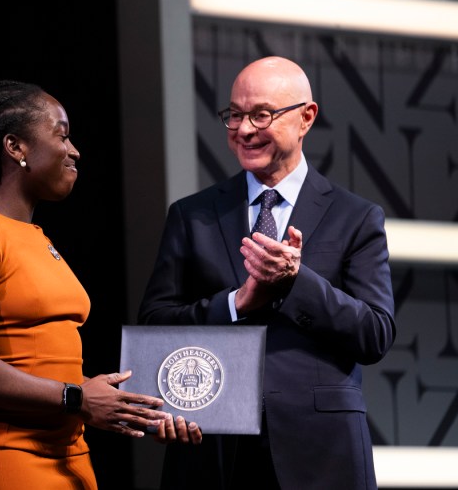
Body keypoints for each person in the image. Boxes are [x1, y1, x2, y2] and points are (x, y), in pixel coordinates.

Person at [0, 80, 201, 490]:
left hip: (65, 456)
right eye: (62, 135)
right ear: (16, 148)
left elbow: (37, 362)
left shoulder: (35, 237)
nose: (74, 151)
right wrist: (78, 398)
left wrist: (123, 404)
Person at [138, 56, 396, 489]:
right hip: (211, 447)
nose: (243, 130)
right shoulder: (192, 215)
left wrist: (296, 282)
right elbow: (155, 326)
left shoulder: (356, 217)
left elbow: (375, 333)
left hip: (321, 454)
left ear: (305, 118)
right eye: (234, 115)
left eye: (261, 114)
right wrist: (235, 304)